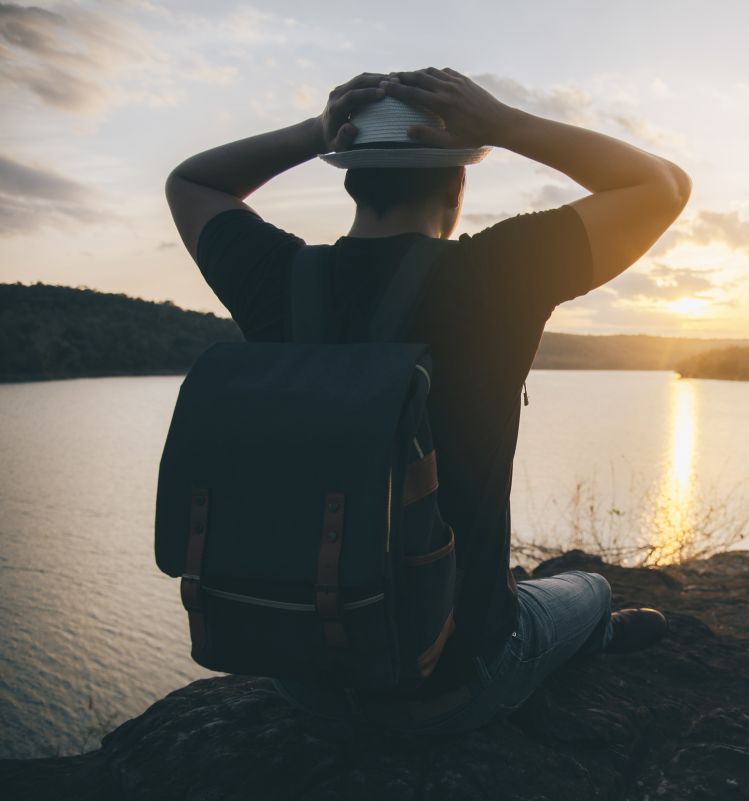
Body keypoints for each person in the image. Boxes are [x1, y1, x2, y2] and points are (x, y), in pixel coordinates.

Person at [164, 68, 691, 734]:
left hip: (305, 678)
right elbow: (664, 187)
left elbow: (191, 182)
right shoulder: (497, 272)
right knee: (587, 590)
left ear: (350, 177)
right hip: (451, 686)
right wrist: (505, 124)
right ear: (457, 184)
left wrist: (312, 133)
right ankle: (584, 638)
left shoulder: (278, 276)